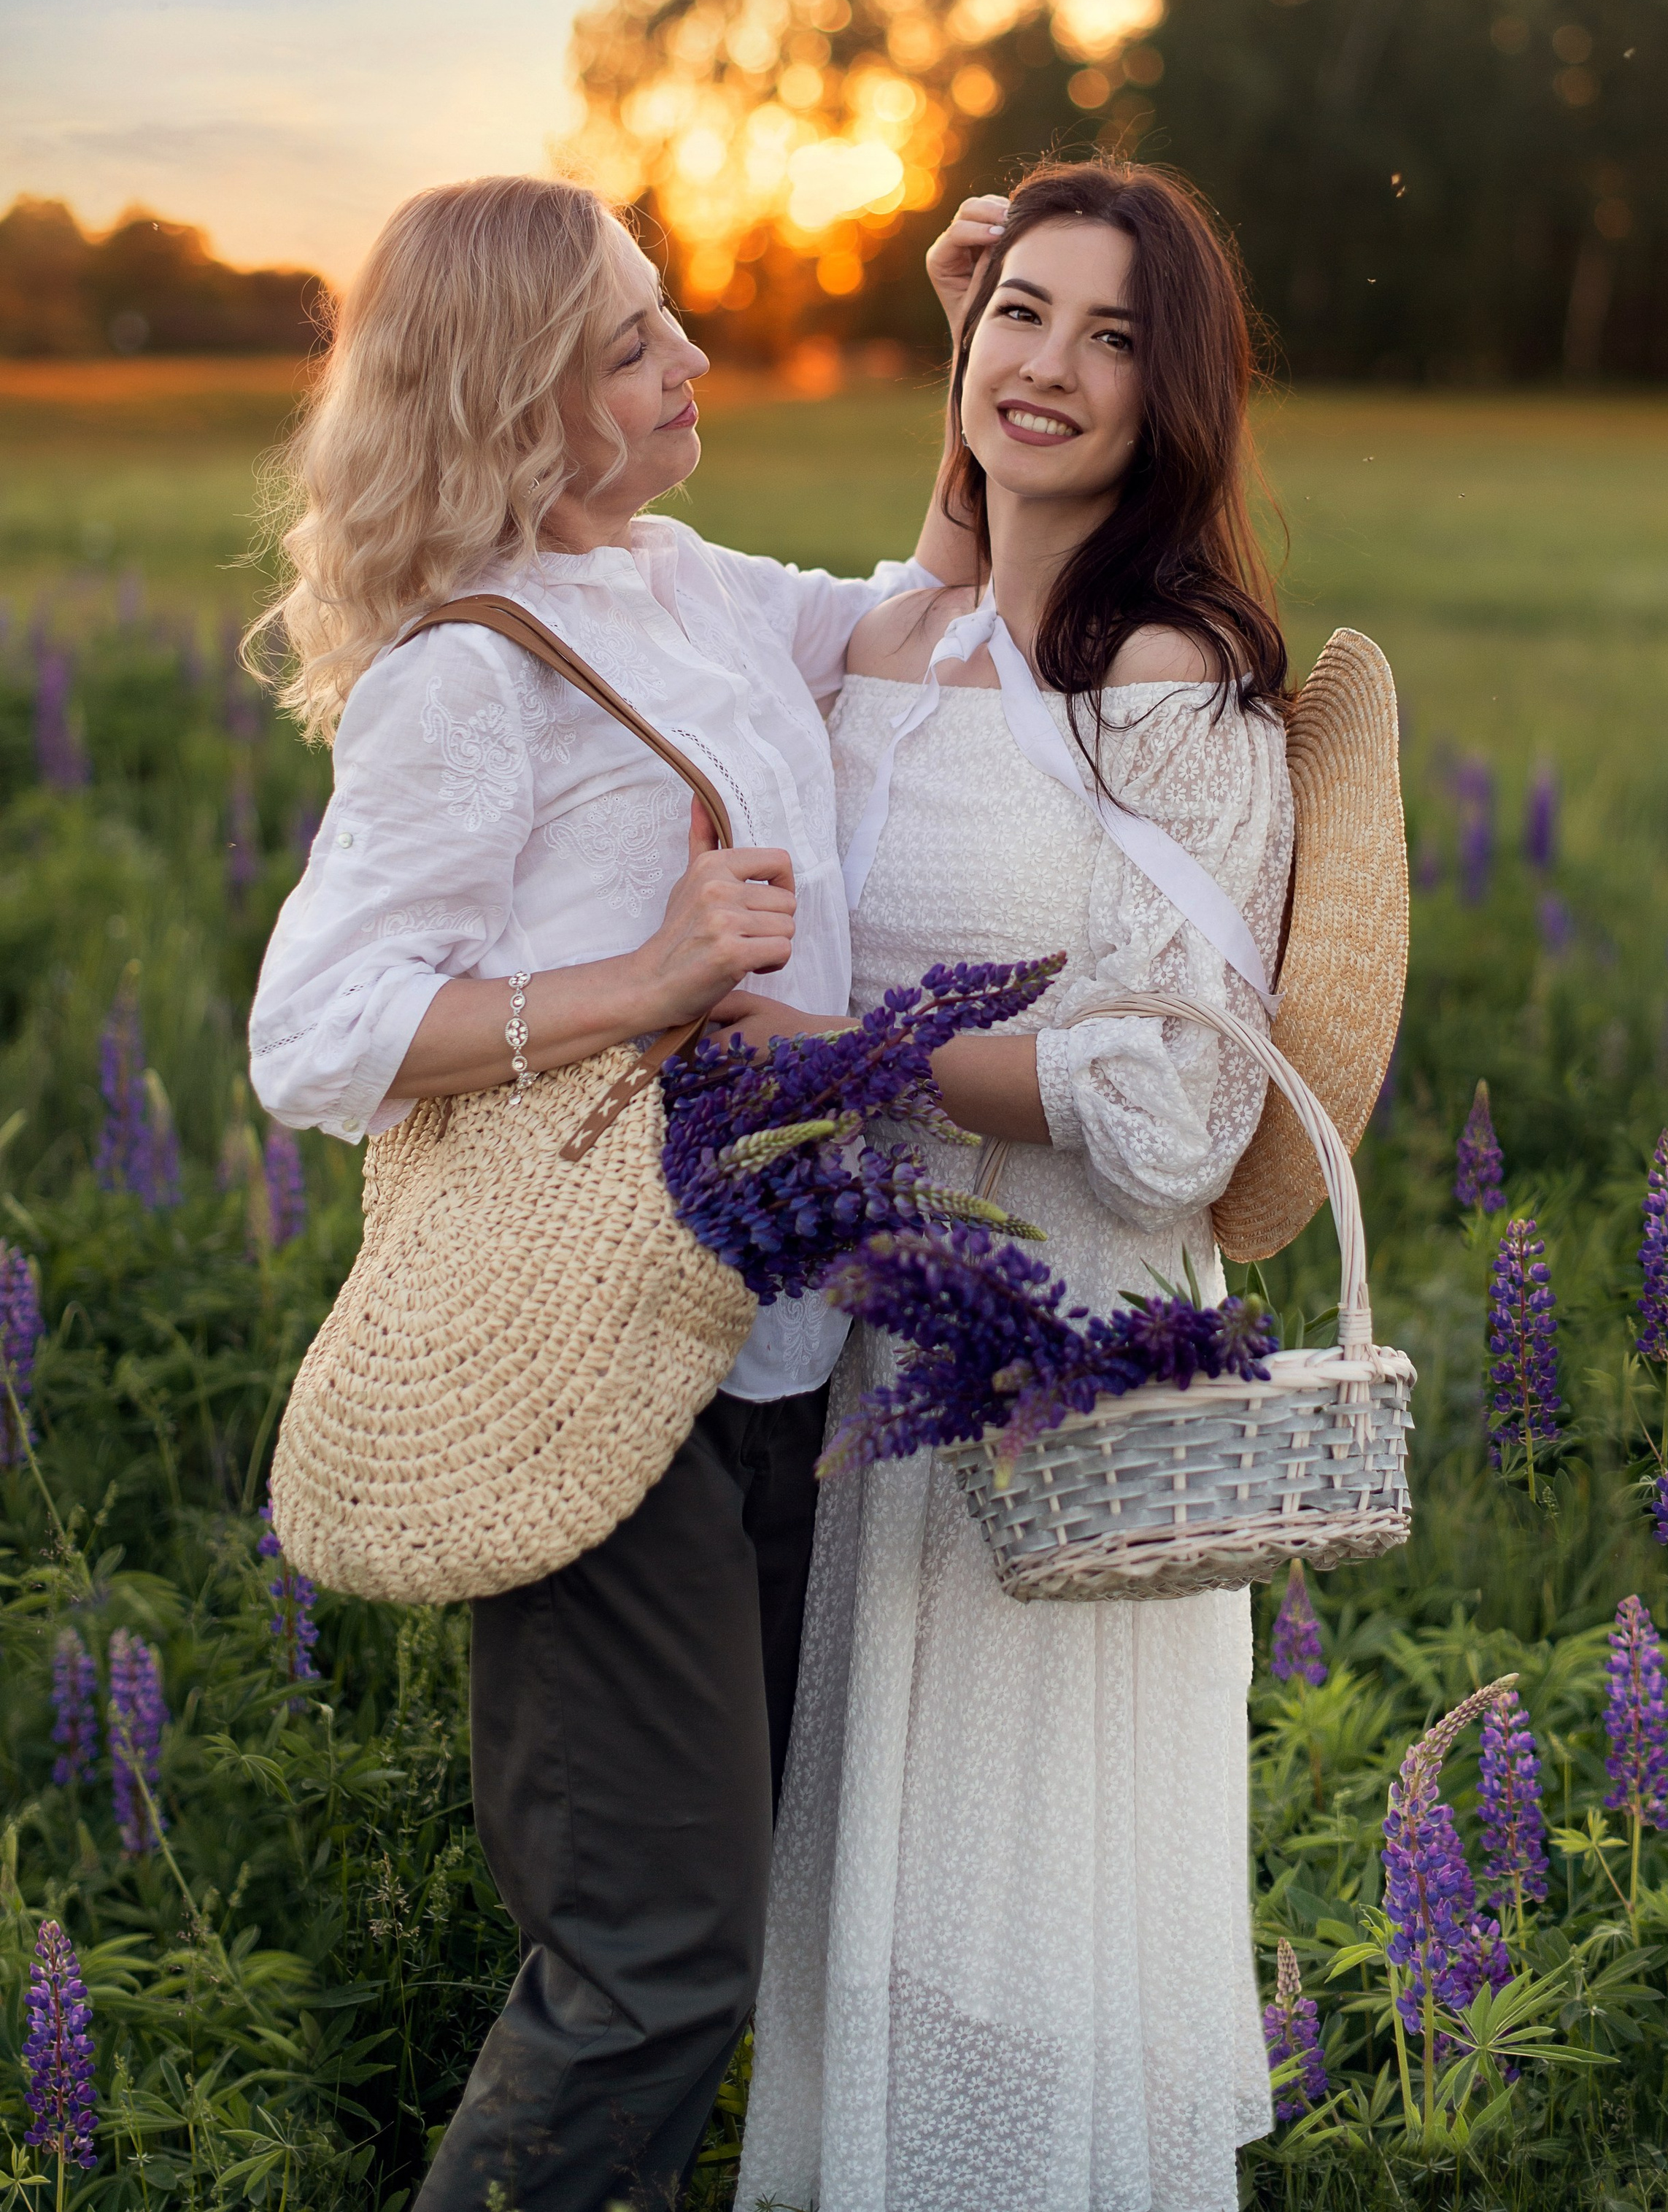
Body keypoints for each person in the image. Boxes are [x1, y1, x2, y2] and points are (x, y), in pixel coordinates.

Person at [244, 174, 979, 2212]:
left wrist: (975, 345)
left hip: (768, 1337)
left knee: (703, 1948)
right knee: (654, 1962)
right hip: (585, 1357)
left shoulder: (682, 581)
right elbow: (311, 1033)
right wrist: (643, 983)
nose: (692, 361)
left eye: (672, 322)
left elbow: (913, 612)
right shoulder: (467, 675)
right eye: (634, 343)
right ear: (511, 402)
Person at [728, 157, 1294, 2211]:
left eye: (1114, 335)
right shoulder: (901, 635)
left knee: (1025, 1914)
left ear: (1177, 395)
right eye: (1019, 311)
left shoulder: (1172, 673)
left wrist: (848, 1062)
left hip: (1069, 1363)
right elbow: (943, 565)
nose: (1050, 363)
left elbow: (1174, 1112)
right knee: (881, 1902)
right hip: (874, 1358)